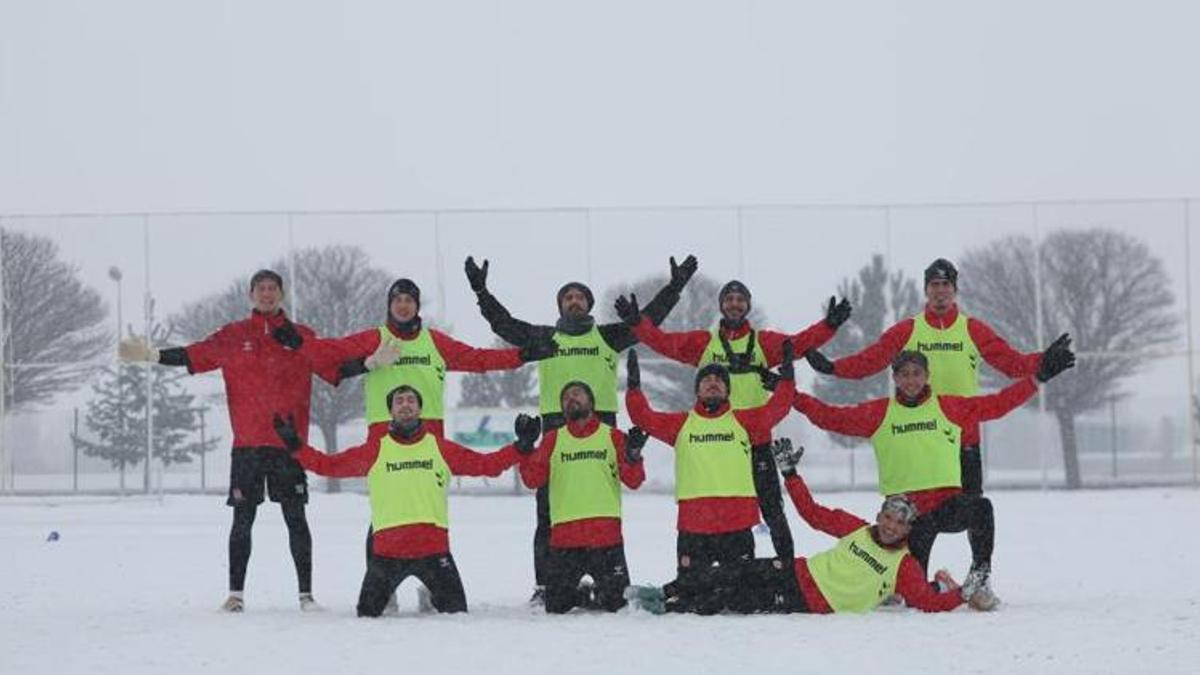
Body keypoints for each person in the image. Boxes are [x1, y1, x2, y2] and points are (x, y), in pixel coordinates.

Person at [464, 254, 696, 601]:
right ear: (560, 306)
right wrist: (481, 291)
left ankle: (610, 573)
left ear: (588, 304)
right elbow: (504, 325)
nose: (574, 301)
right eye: (567, 297)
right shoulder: (545, 339)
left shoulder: (607, 337)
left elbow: (647, 321)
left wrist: (675, 286)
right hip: (557, 427)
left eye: (580, 296)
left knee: (604, 507)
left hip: (602, 425)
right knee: (548, 512)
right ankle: (546, 585)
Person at [118, 269, 343, 612]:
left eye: (273, 289)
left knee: (296, 518)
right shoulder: (233, 336)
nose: (267, 294)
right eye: (261, 289)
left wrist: (372, 360)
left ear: (282, 294)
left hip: (289, 446)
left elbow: (334, 362)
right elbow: (194, 354)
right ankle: (235, 594)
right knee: (242, 520)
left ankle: (306, 595)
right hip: (248, 447)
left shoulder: (301, 337)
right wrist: (153, 355)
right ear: (251, 294)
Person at [789, 342, 1075, 608]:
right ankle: (932, 584)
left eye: (917, 374)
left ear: (927, 376)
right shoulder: (879, 413)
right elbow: (830, 416)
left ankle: (980, 578)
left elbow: (999, 403)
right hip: (907, 520)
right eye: (904, 374)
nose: (911, 380)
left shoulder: (949, 407)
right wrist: (792, 395)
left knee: (981, 507)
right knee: (912, 598)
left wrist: (1039, 377)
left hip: (944, 507)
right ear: (895, 378)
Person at [614, 282, 850, 562]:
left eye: (740, 299)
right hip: (713, 444)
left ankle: (787, 569)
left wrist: (829, 326)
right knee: (718, 511)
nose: (734, 304)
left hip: (755, 439)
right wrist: (637, 323)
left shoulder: (763, 343)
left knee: (772, 510)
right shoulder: (705, 343)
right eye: (729, 299)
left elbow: (797, 344)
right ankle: (711, 561)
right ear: (721, 305)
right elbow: (666, 343)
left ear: (748, 305)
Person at [628, 439, 983, 615]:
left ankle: (670, 608)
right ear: (879, 516)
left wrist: (964, 593)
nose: (891, 526)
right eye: (888, 517)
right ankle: (663, 590)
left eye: (900, 522)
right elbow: (812, 513)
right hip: (797, 570)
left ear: (908, 530)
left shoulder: (904, 565)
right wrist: (790, 474)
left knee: (733, 599)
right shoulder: (857, 529)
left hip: (807, 600)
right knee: (730, 571)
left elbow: (925, 602)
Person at [272, 384, 533, 616]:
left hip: (433, 551)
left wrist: (520, 447)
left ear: (420, 409)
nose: (405, 405)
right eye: (399, 401)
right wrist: (295, 445)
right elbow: (329, 465)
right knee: (366, 613)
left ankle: (429, 594)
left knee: (457, 613)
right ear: (391, 411)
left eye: (411, 400)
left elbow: (485, 465)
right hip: (387, 553)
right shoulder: (376, 449)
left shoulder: (439, 447)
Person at [805, 258, 1044, 496]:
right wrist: (832, 368)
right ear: (926, 290)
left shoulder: (972, 329)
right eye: (934, 285)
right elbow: (870, 361)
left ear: (955, 289)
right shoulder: (908, 329)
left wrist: (1044, 361)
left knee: (977, 513)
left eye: (945, 284)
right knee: (919, 522)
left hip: (963, 436)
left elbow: (1012, 364)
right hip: (918, 436)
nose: (940, 291)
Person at [625, 343, 796, 614]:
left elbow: (780, 407)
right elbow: (643, 417)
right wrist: (634, 388)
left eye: (719, 380)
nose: (713, 383)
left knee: (739, 599)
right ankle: (664, 596)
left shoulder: (744, 421)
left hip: (736, 527)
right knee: (692, 597)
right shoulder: (681, 424)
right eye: (706, 379)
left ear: (729, 390)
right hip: (695, 527)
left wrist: (787, 379)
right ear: (697, 390)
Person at [311, 277, 556, 442]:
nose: (403, 305)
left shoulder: (434, 342)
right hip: (384, 430)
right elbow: (327, 354)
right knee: (388, 511)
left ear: (417, 306)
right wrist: (366, 364)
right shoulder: (375, 338)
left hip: (428, 432)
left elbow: (478, 359)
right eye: (397, 300)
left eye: (409, 300)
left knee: (426, 508)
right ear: (389, 306)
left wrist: (522, 355)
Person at [518, 381, 647, 613]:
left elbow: (634, 481)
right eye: (566, 397)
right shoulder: (553, 439)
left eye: (577, 394)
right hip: (565, 542)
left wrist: (634, 455)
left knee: (617, 605)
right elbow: (531, 480)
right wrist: (526, 448)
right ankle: (585, 593)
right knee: (556, 608)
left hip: (606, 540)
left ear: (592, 403)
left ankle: (600, 591)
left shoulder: (613, 436)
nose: (571, 398)